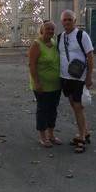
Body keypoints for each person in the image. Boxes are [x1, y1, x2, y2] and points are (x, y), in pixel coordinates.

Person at [58, 10, 94, 153]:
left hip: (78, 78)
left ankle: (81, 139)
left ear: (75, 20)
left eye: (70, 19)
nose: (67, 22)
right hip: (65, 77)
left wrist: (89, 77)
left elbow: (90, 56)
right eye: (65, 19)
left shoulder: (82, 35)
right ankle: (86, 133)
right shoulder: (60, 37)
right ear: (62, 22)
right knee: (74, 105)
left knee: (78, 107)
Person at [29, 20, 63, 148]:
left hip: (56, 85)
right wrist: (37, 82)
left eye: (52, 29)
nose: (50, 31)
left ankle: (51, 135)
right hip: (41, 85)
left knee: (53, 110)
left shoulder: (54, 43)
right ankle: (42, 136)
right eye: (47, 29)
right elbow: (31, 65)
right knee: (43, 109)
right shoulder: (36, 45)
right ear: (41, 30)